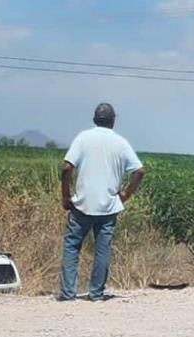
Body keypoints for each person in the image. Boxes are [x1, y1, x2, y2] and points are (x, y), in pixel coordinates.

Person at [58, 103, 145, 301]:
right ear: (113, 121)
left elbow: (65, 168)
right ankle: (96, 293)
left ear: (95, 119)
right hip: (108, 205)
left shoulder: (83, 138)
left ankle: (68, 293)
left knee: (72, 246)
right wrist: (125, 194)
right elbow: (139, 171)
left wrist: (65, 196)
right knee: (102, 250)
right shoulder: (121, 143)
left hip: (82, 204)